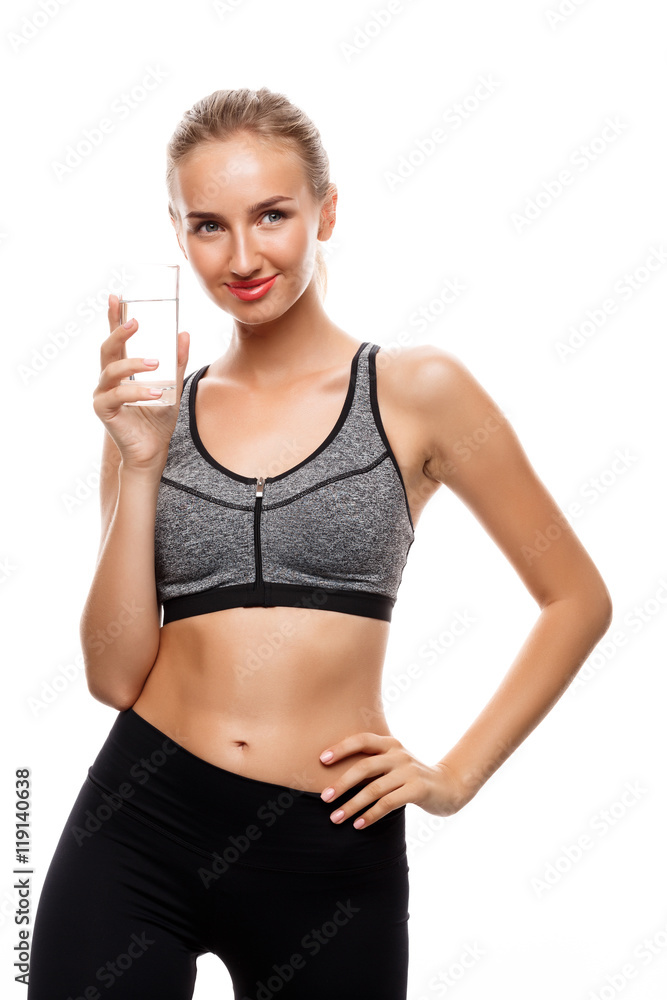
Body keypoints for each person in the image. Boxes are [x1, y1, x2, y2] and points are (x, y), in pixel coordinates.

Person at [27, 86, 612, 999]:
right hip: (139, 823)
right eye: (209, 226)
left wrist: (455, 777)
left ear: (326, 211)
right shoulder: (151, 412)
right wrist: (138, 463)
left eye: (272, 216)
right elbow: (111, 678)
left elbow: (575, 599)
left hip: (328, 848)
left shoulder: (418, 389)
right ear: (179, 233)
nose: (244, 254)